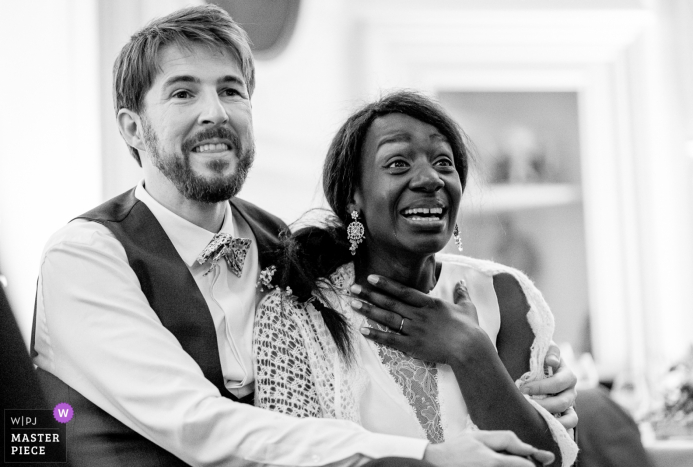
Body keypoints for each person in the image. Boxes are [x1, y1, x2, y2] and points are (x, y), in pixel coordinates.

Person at [31, 5, 575, 466]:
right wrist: (422, 457)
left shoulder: (282, 246)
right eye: (182, 93)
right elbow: (196, 423)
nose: (214, 113)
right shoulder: (86, 256)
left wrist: (535, 396)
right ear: (131, 127)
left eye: (231, 90)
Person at [253, 92, 579, 466]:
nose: (430, 179)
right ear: (352, 197)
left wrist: (471, 351)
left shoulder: (506, 294)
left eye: (444, 162)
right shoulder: (296, 314)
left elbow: (544, 461)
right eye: (397, 163)